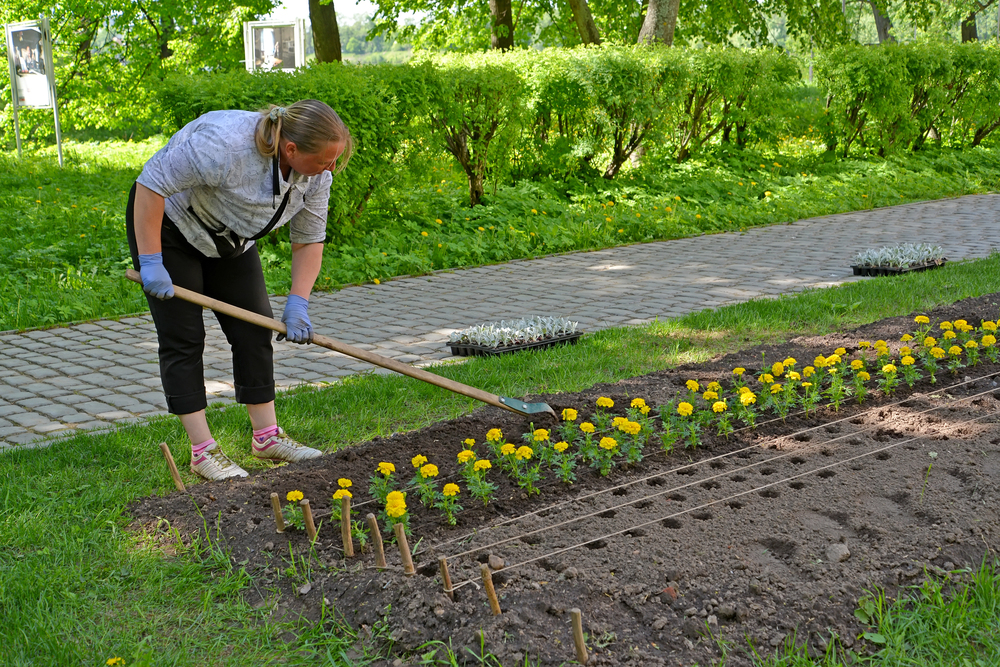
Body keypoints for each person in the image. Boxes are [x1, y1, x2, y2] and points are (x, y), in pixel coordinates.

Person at [126, 100, 352, 481]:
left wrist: (298, 301)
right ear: (291, 149)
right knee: (184, 336)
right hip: (171, 228)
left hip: (231, 239)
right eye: (325, 160)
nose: (330, 168)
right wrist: (151, 260)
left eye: (334, 160)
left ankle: (266, 437)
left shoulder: (316, 178)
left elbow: (309, 240)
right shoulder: (225, 146)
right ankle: (203, 451)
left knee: (254, 328)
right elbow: (152, 183)